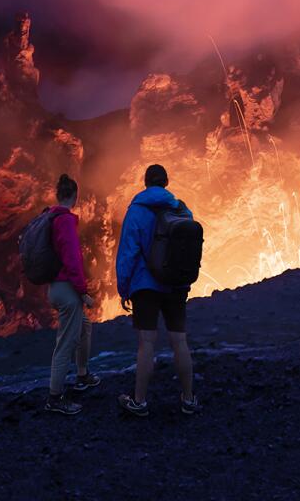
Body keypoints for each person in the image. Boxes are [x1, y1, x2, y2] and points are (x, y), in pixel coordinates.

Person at [115, 164, 198, 417]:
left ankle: (139, 401)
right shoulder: (182, 209)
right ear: (166, 183)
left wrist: (124, 288)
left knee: (146, 343)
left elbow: (128, 253)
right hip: (175, 284)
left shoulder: (137, 212)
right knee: (179, 341)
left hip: (145, 287)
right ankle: (188, 399)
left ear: (146, 183)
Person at [45, 173, 100, 415]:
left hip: (56, 287)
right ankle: (55, 398)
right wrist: (83, 292)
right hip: (66, 289)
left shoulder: (50, 217)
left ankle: (82, 374)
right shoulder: (64, 221)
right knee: (66, 343)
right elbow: (73, 260)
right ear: (75, 197)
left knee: (84, 326)